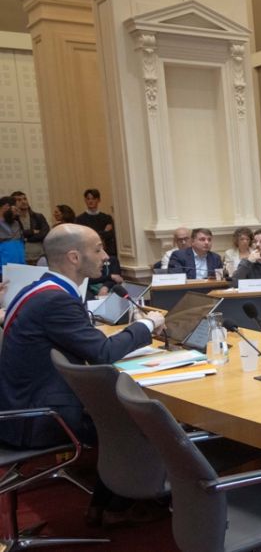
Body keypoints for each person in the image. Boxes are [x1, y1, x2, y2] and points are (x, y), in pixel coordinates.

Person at [0, 224, 164, 525]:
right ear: (74, 257)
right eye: (98, 248)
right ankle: (118, 507)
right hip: (37, 418)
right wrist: (147, 326)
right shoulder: (56, 299)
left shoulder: (38, 289)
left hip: (18, 407)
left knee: (118, 413)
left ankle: (106, 504)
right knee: (140, 421)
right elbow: (101, 353)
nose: (105, 256)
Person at [75, 188, 117, 257]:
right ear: (85, 200)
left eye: (93, 199)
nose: (90, 201)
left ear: (99, 200)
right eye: (88, 199)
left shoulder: (107, 218)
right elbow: (83, 238)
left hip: (106, 252)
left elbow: (111, 235)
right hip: (88, 253)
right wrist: (104, 232)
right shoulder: (79, 219)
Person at [11, 191, 49, 265]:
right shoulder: (12, 219)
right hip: (22, 258)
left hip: (40, 256)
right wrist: (31, 232)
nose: (24, 202)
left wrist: (27, 238)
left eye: (25, 199)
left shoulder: (38, 216)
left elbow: (44, 233)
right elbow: (15, 235)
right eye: (19, 200)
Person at [0, 196, 24, 268]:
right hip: (3, 270)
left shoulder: (16, 223)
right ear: (6, 206)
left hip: (20, 267)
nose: (18, 213)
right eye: (16, 209)